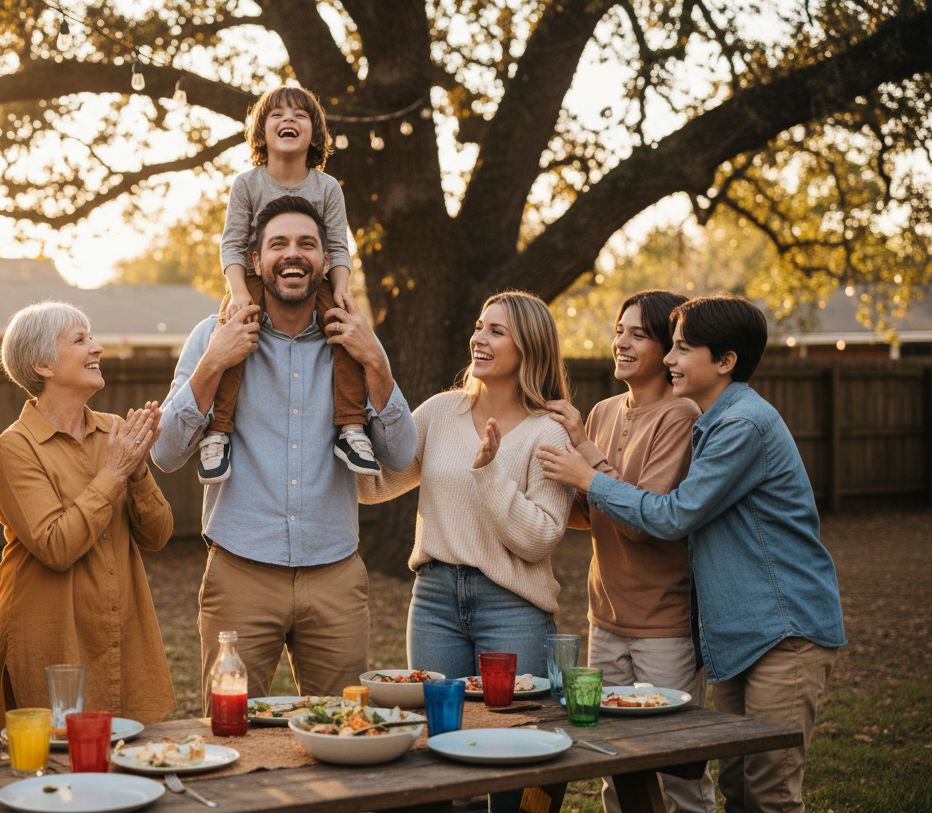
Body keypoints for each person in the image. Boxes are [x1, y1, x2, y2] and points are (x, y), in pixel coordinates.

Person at [537, 294, 846, 813]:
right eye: (672, 346)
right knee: (739, 787)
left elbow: (671, 516)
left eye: (682, 348)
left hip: (784, 627)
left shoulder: (740, 426)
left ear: (725, 362)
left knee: (769, 792)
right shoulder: (711, 420)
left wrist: (589, 475)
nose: (671, 359)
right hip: (735, 634)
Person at [151, 195, 417, 708]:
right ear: (255, 260)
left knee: (345, 729)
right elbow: (165, 452)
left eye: (306, 244)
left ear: (325, 260)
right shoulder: (213, 333)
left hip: (336, 575)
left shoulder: (354, 338)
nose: (292, 255)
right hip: (240, 573)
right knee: (232, 730)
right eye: (278, 244)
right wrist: (213, 363)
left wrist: (376, 363)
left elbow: (400, 455)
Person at [546, 290, 715, 813]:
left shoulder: (680, 414)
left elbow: (650, 521)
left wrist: (585, 460)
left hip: (663, 622)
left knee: (678, 764)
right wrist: (558, 487)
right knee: (612, 761)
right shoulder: (600, 411)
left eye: (638, 334)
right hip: (605, 617)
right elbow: (592, 514)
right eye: (619, 330)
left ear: (668, 350)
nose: (621, 342)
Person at [358, 290, 575, 681]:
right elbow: (372, 486)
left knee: (514, 733)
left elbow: (539, 539)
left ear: (528, 348)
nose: (479, 339)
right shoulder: (440, 412)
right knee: (440, 729)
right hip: (433, 602)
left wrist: (490, 473)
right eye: (479, 328)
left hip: (513, 605)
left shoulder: (550, 433)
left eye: (496, 331)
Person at [0, 302, 176, 731]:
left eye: (91, 337)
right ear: (43, 365)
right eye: (80, 340)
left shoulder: (115, 430)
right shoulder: (15, 447)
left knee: (129, 765)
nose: (98, 348)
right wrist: (115, 472)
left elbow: (159, 535)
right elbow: (57, 546)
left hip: (121, 632)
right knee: (59, 770)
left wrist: (138, 467)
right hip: (53, 639)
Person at [200, 84, 377, 484]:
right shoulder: (248, 184)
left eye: (299, 115)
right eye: (277, 114)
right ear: (261, 132)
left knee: (343, 331)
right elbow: (231, 242)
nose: (288, 120)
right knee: (235, 338)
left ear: (314, 133)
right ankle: (219, 431)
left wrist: (342, 291)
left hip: (315, 279)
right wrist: (240, 293)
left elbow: (337, 245)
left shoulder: (327, 188)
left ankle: (351, 427)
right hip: (252, 278)